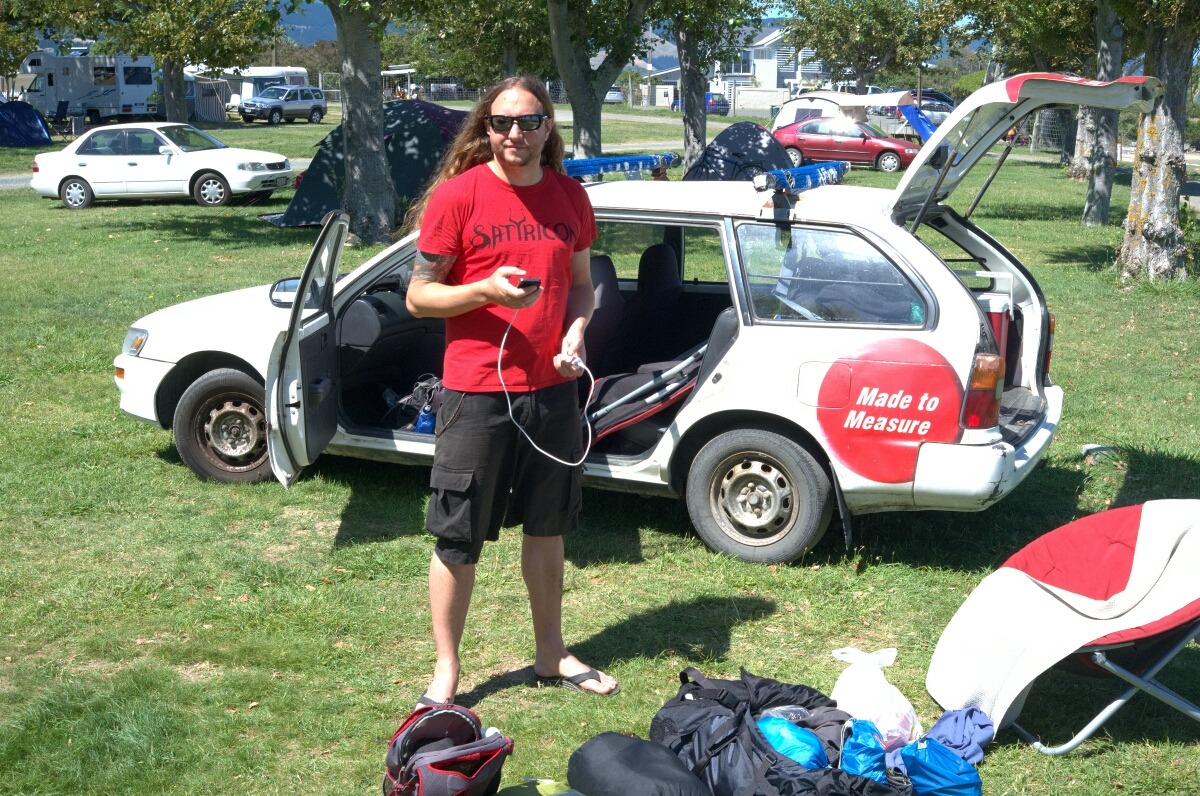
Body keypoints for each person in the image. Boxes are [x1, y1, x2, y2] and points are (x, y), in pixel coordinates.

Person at [403, 75, 619, 703]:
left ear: (548, 127)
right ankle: (446, 670)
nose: (514, 135)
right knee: (457, 534)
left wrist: (577, 329)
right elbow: (420, 295)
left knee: (547, 528)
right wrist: (484, 291)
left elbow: (581, 283)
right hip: (473, 391)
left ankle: (550, 654)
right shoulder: (458, 198)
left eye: (528, 123)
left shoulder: (570, 198)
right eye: (501, 123)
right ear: (485, 128)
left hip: (551, 388)